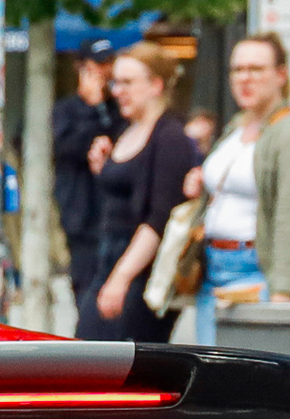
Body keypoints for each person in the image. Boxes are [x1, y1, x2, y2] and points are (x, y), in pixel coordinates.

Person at [186, 32, 290, 343]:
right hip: (214, 268)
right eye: (237, 70)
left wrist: (283, 292)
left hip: (259, 269)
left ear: (281, 75)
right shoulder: (236, 127)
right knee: (214, 372)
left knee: (253, 380)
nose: (244, 79)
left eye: (256, 69)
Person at [80, 42, 200, 343]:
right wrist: (103, 167)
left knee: (118, 366)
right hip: (107, 264)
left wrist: (121, 279)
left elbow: (159, 218)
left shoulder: (171, 137)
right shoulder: (126, 129)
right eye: (115, 82)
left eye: (128, 83)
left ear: (156, 85)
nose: (117, 90)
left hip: (140, 274)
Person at [50, 46, 123, 306]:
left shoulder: (119, 108)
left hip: (116, 213)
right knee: (85, 289)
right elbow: (69, 148)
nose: (103, 72)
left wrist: (102, 108)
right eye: (96, 66)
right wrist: (92, 109)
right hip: (81, 214)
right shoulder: (67, 111)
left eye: (107, 64)